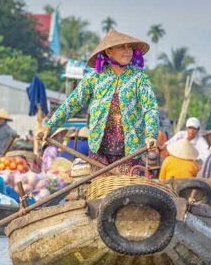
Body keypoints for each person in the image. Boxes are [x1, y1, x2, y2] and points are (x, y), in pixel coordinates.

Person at [40, 29, 159, 173]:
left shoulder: (139, 78)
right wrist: (50, 126)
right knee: (101, 190)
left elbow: (150, 108)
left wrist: (151, 135)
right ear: (109, 52)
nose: (128, 51)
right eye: (122, 47)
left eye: (130, 48)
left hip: (130, 151)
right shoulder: (95, 77)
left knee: (125, 192)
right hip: (99, 150)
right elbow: (72, 103)